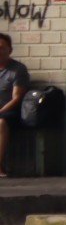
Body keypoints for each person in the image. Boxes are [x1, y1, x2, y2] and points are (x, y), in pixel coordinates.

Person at [0, 33, 28, 177]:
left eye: (2, 48)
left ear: (9, 50)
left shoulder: (17, 70)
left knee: (1, 123)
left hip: (10, 112)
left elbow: (16, 98)